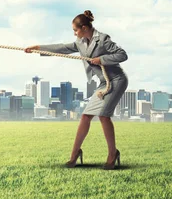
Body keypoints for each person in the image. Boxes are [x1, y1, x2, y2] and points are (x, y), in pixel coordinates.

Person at [25, 10, 128, 170]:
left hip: (116, 81)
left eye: (75, 30)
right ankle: (74, 155)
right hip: (103, 83)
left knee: (103, 116)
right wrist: (37, 48)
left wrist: (101, 59)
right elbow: (62, 47)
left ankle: (112, 154)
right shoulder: (80, 42)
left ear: (85, 28)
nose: (74, 34)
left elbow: (122, 55)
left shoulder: (103, 39)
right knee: (86, 116)